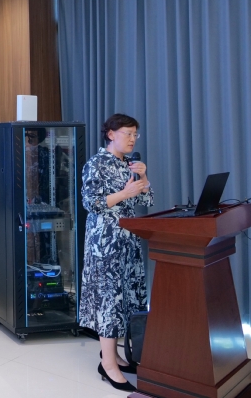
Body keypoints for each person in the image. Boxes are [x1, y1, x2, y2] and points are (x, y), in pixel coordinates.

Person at [79, 113, 153, 392]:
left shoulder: (129, 164)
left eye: (135, 134)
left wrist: (143, 176)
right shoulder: (95, 164)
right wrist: (125, 193)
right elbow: (91, 203)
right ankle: (107, 364)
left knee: (128, 299)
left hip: (128, 240)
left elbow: (147, 199)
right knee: (109, 300)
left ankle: (115, 355)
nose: (132, 139)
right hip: (104, 243)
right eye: (127, 133)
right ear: (111, 134)